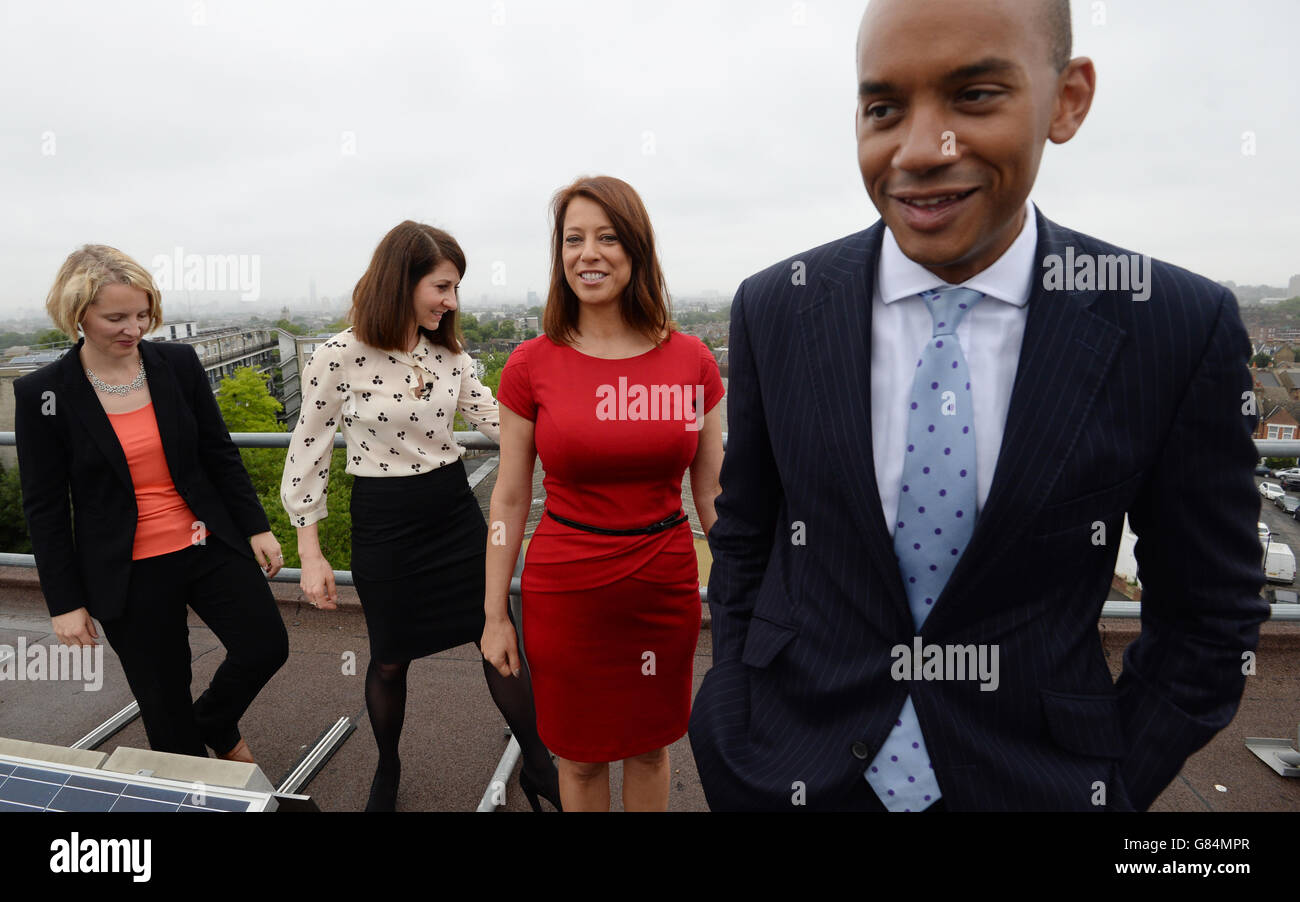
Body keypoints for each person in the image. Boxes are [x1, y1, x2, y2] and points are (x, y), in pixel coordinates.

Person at [688, 0, 1269, 811]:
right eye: (884, 108)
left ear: (1067, 99)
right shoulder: (777, 308)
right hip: (791, 771)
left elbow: (1211, 613)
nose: (924, 149)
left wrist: (1111, 782)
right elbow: (747, 534)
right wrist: (733, 711)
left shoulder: (1171, 323)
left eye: (975, 95)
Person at [283, 221, 559, 812]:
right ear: (402, 281)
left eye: (456, 287)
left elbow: (498, 420)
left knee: (497, 636)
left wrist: (571, 443)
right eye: (443, 286)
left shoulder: (450, 354)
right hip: (384, 522)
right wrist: (310, 552)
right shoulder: (338, 355)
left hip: (452, 514)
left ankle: (539, 765)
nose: (452, 301)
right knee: (389, 657)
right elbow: (307, 450)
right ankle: (388, 766)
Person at [482, 176, 725, 812]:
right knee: (581, 760)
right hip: (567, 590)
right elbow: (509, 499)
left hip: (662, 582)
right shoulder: (530, 364)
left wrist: (747, 585)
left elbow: (714, 491)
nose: (588, 253)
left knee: (650, 748)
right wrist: (494, 614)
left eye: (608, 237)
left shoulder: (693, 361)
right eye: (573, 239)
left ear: (636, 249)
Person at [14, 245, 289, 761]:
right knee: (167, 714)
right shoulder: (43, 394)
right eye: (116, 317)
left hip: (206, 543)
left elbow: (217, 452)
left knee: (265, 646)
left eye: (143, 315)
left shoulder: (177, 365)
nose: (133, 328)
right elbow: (45, 507)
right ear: (78, 315)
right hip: (127, 570)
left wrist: (256, 526)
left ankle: (216, 717)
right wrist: (65, 602)